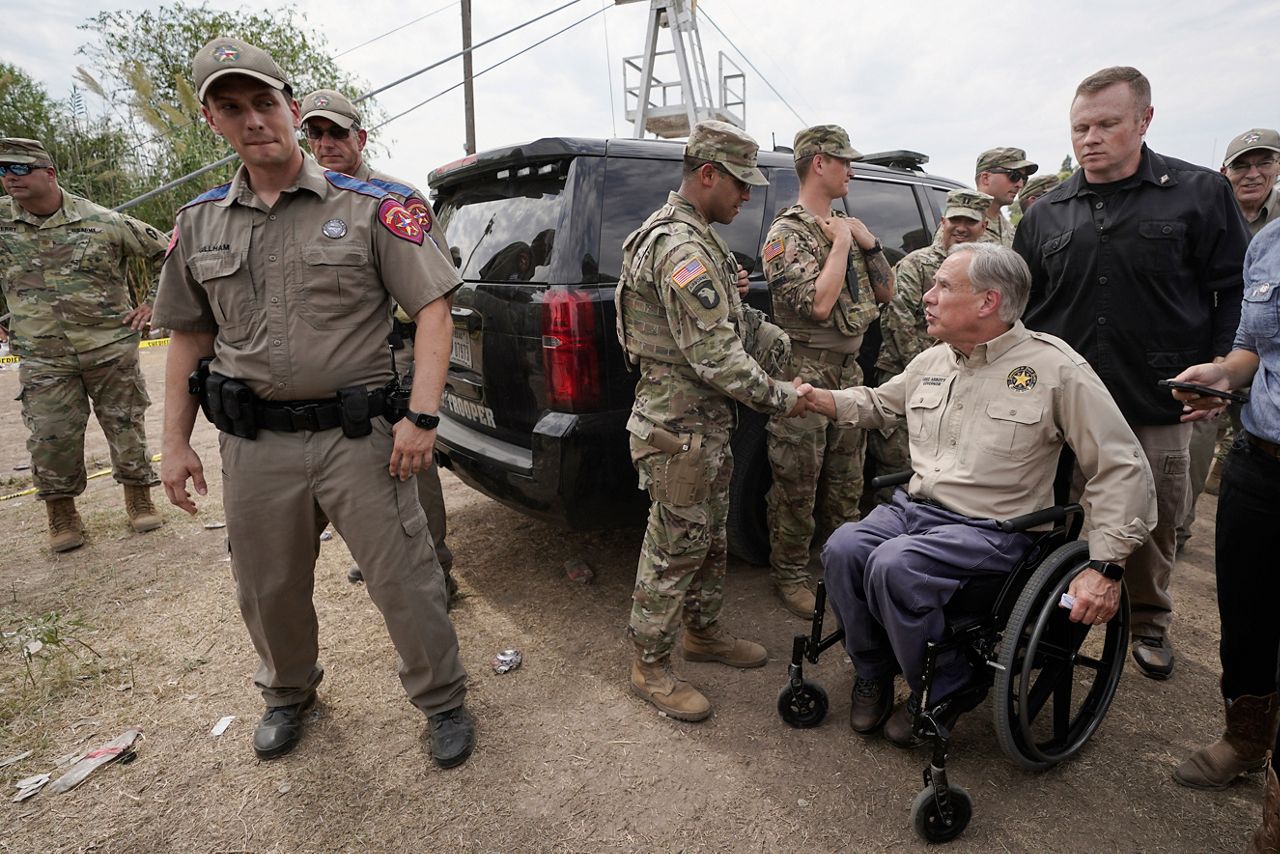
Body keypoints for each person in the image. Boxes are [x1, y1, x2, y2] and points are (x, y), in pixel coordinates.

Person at [152, 37, 473, 768]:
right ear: (212, 120)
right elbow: (188, 337)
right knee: (267, 585)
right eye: (232, 108)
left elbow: (432, 309)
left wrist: (422, 418)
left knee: (405, 580)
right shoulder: (199, 222)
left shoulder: (375, 208)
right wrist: (174, 444)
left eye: (265, 103)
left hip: (359, 438)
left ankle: (443, 699)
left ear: (291, 109)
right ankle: (288, 693)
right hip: (255, 444)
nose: (254, 120)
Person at [803, 242, 1156, 746]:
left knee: (894, 566)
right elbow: (881, 404)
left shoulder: (1054, 369)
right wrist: (820, 399)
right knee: (843, 547)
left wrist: (1106, 566)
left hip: (994, 531)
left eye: (943, 286)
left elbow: (1120, 464)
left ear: (988, 302)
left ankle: (949, 683)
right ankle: (873, 668)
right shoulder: (935, 360)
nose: (927, 296)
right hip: (917, 511)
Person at [1013, 65, 1248, 680]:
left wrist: (1223, 371)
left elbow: (1234, 293)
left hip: (1159, 399)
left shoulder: (1199, 193)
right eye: (1079, 127)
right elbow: (1022, 309)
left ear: (1144, 120)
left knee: (1151, 517)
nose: (1089, 138)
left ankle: (1147, 620)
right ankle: (1050, 616)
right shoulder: (1045, 213)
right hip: (1061, 407)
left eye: (1107, 124)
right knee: (1055, 512)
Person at [615, 120, 806, 722]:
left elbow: (730, 320)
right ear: (707, 175)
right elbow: (715, 355)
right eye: (741, 184)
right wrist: (781, 396)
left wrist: (778, 344)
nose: (747, 196)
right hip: (680, 431)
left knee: (710, 537)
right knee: (673, 547)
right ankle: (649, 665)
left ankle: (703, 633)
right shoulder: (681, 246)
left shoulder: (700, 239)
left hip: (704, 426)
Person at [298, 88, 455, 598]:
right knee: (352, 462)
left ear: (359, 137)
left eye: (336, 133)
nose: (325, 144)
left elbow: (433, 291)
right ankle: (378, 554)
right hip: (336, 360)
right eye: (314, 134)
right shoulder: (297, 198)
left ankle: (437, 571)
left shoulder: (397, 199)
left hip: (395, 352)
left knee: (411, 460)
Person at [0, 137, 167, 552]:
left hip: (109, 347)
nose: (9, 178)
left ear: (49, 173)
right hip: (42, 354)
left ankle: (139, 498)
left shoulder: (103, 221)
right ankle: (61, 513)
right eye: (2, 171)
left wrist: (152, 304)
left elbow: (168, 250)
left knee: (125, 424)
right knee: (50, 436)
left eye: (19, 169)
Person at [1169, 220, 1280, 825]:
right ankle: (1245, 740)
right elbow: (1253, 348)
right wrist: (1224, 375)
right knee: (1247, 616)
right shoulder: (1269, 243)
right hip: (1260, 461)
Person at [761, 124, 894, 617]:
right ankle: (791, 574)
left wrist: (869, 242)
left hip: (848, 371)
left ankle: (841, 563)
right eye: (845, 162)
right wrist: (841, 244)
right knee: (797, 480)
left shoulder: (847, 225)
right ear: (819, 162)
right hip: (803, 369)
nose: (851, 171)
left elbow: (887, 293)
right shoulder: (786, 234)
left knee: (846, 479)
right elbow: (818, 305)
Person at [869, 189, 991, 487]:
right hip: (909, 374)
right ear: (942, 221)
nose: (961, 228)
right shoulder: (917, 263)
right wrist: (930, 369)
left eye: (970, 222)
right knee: (899, 470)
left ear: (984, 226)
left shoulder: (989, 267)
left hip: (968, 379)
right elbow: (897, 318)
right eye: (955, 220)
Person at [1221, 128, 1280, 237]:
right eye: (1240, 166)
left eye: (1264, 163)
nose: (1253, 175)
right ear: (1224, 173)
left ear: (1278, 167)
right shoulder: (1207, 213)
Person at [974, 147, 1037, 247]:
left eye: (1024, 178)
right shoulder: (962, 224)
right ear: (985, 178)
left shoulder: (1011, 230)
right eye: (1014, 176)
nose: (1020, 184)